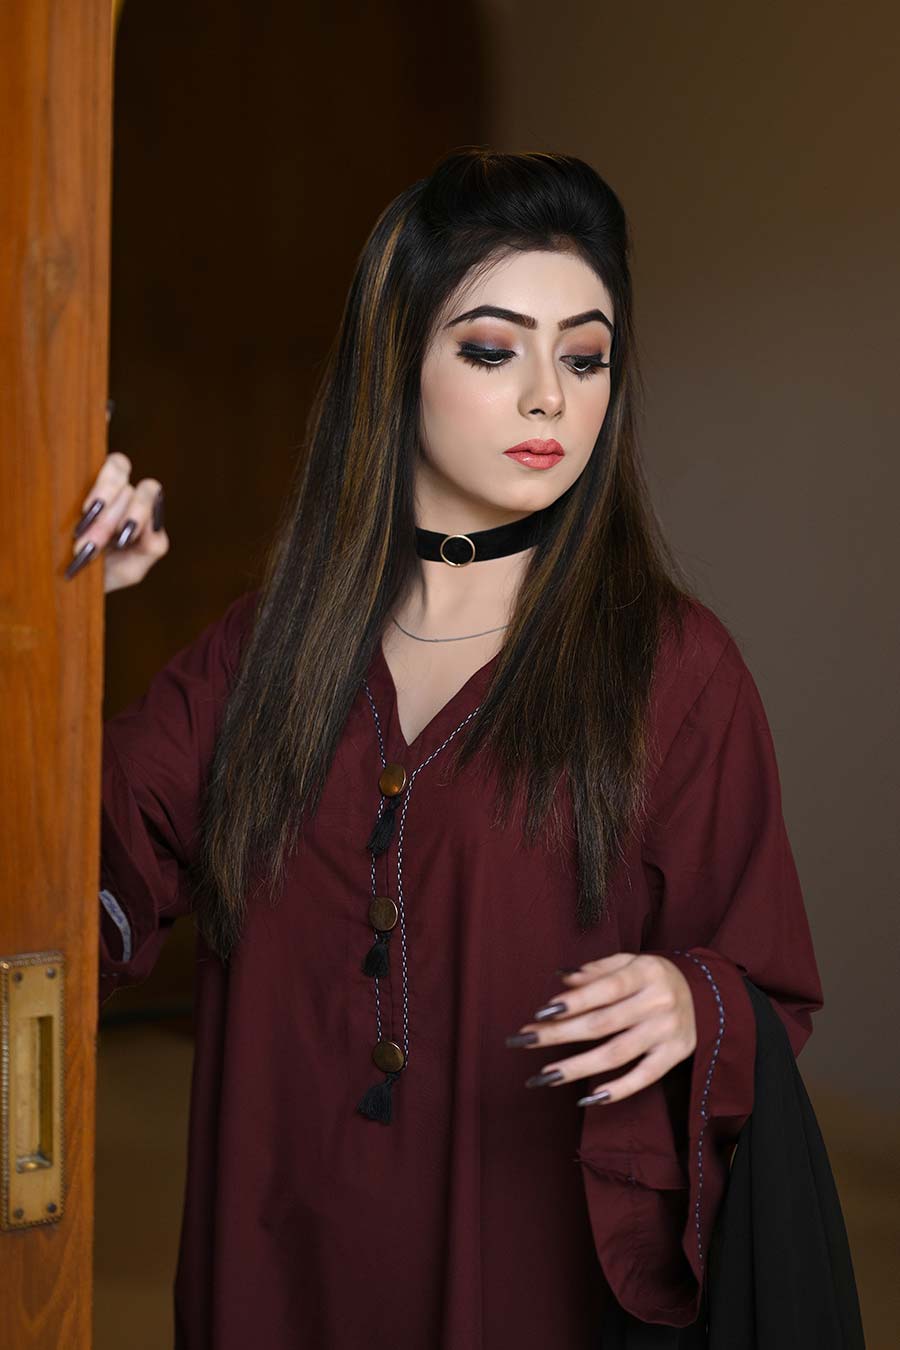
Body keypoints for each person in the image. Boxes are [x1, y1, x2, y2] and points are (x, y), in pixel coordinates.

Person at [72, 148, 824, 1349]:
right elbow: (68, 892)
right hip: (274, 1262)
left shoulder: (674, 668)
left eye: (585, 357)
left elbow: (765, 987)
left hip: (528, 1279)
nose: (549, 398)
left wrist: (694, 1002)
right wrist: (57, 619)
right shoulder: (265, 650)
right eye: (490, 350)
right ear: (396, 364)